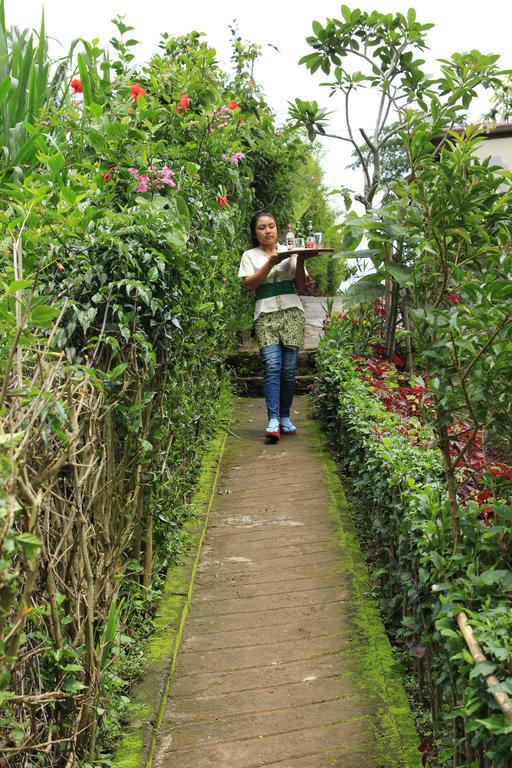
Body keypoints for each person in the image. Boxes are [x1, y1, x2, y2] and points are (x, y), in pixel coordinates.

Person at [238, 211, 307, 441]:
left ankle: (286, 417)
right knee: (271, 365)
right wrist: (270, 262)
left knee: (288, 369)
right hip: (265, 314)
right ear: (255, 233)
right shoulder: (249, 255)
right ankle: (273, 420)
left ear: (277, 229)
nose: (268, 231)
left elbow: (300, 284)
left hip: (292, 312)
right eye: (262, 227)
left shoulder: (292, 251)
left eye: (271, 226)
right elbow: (249, 285)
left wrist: (301, 260)